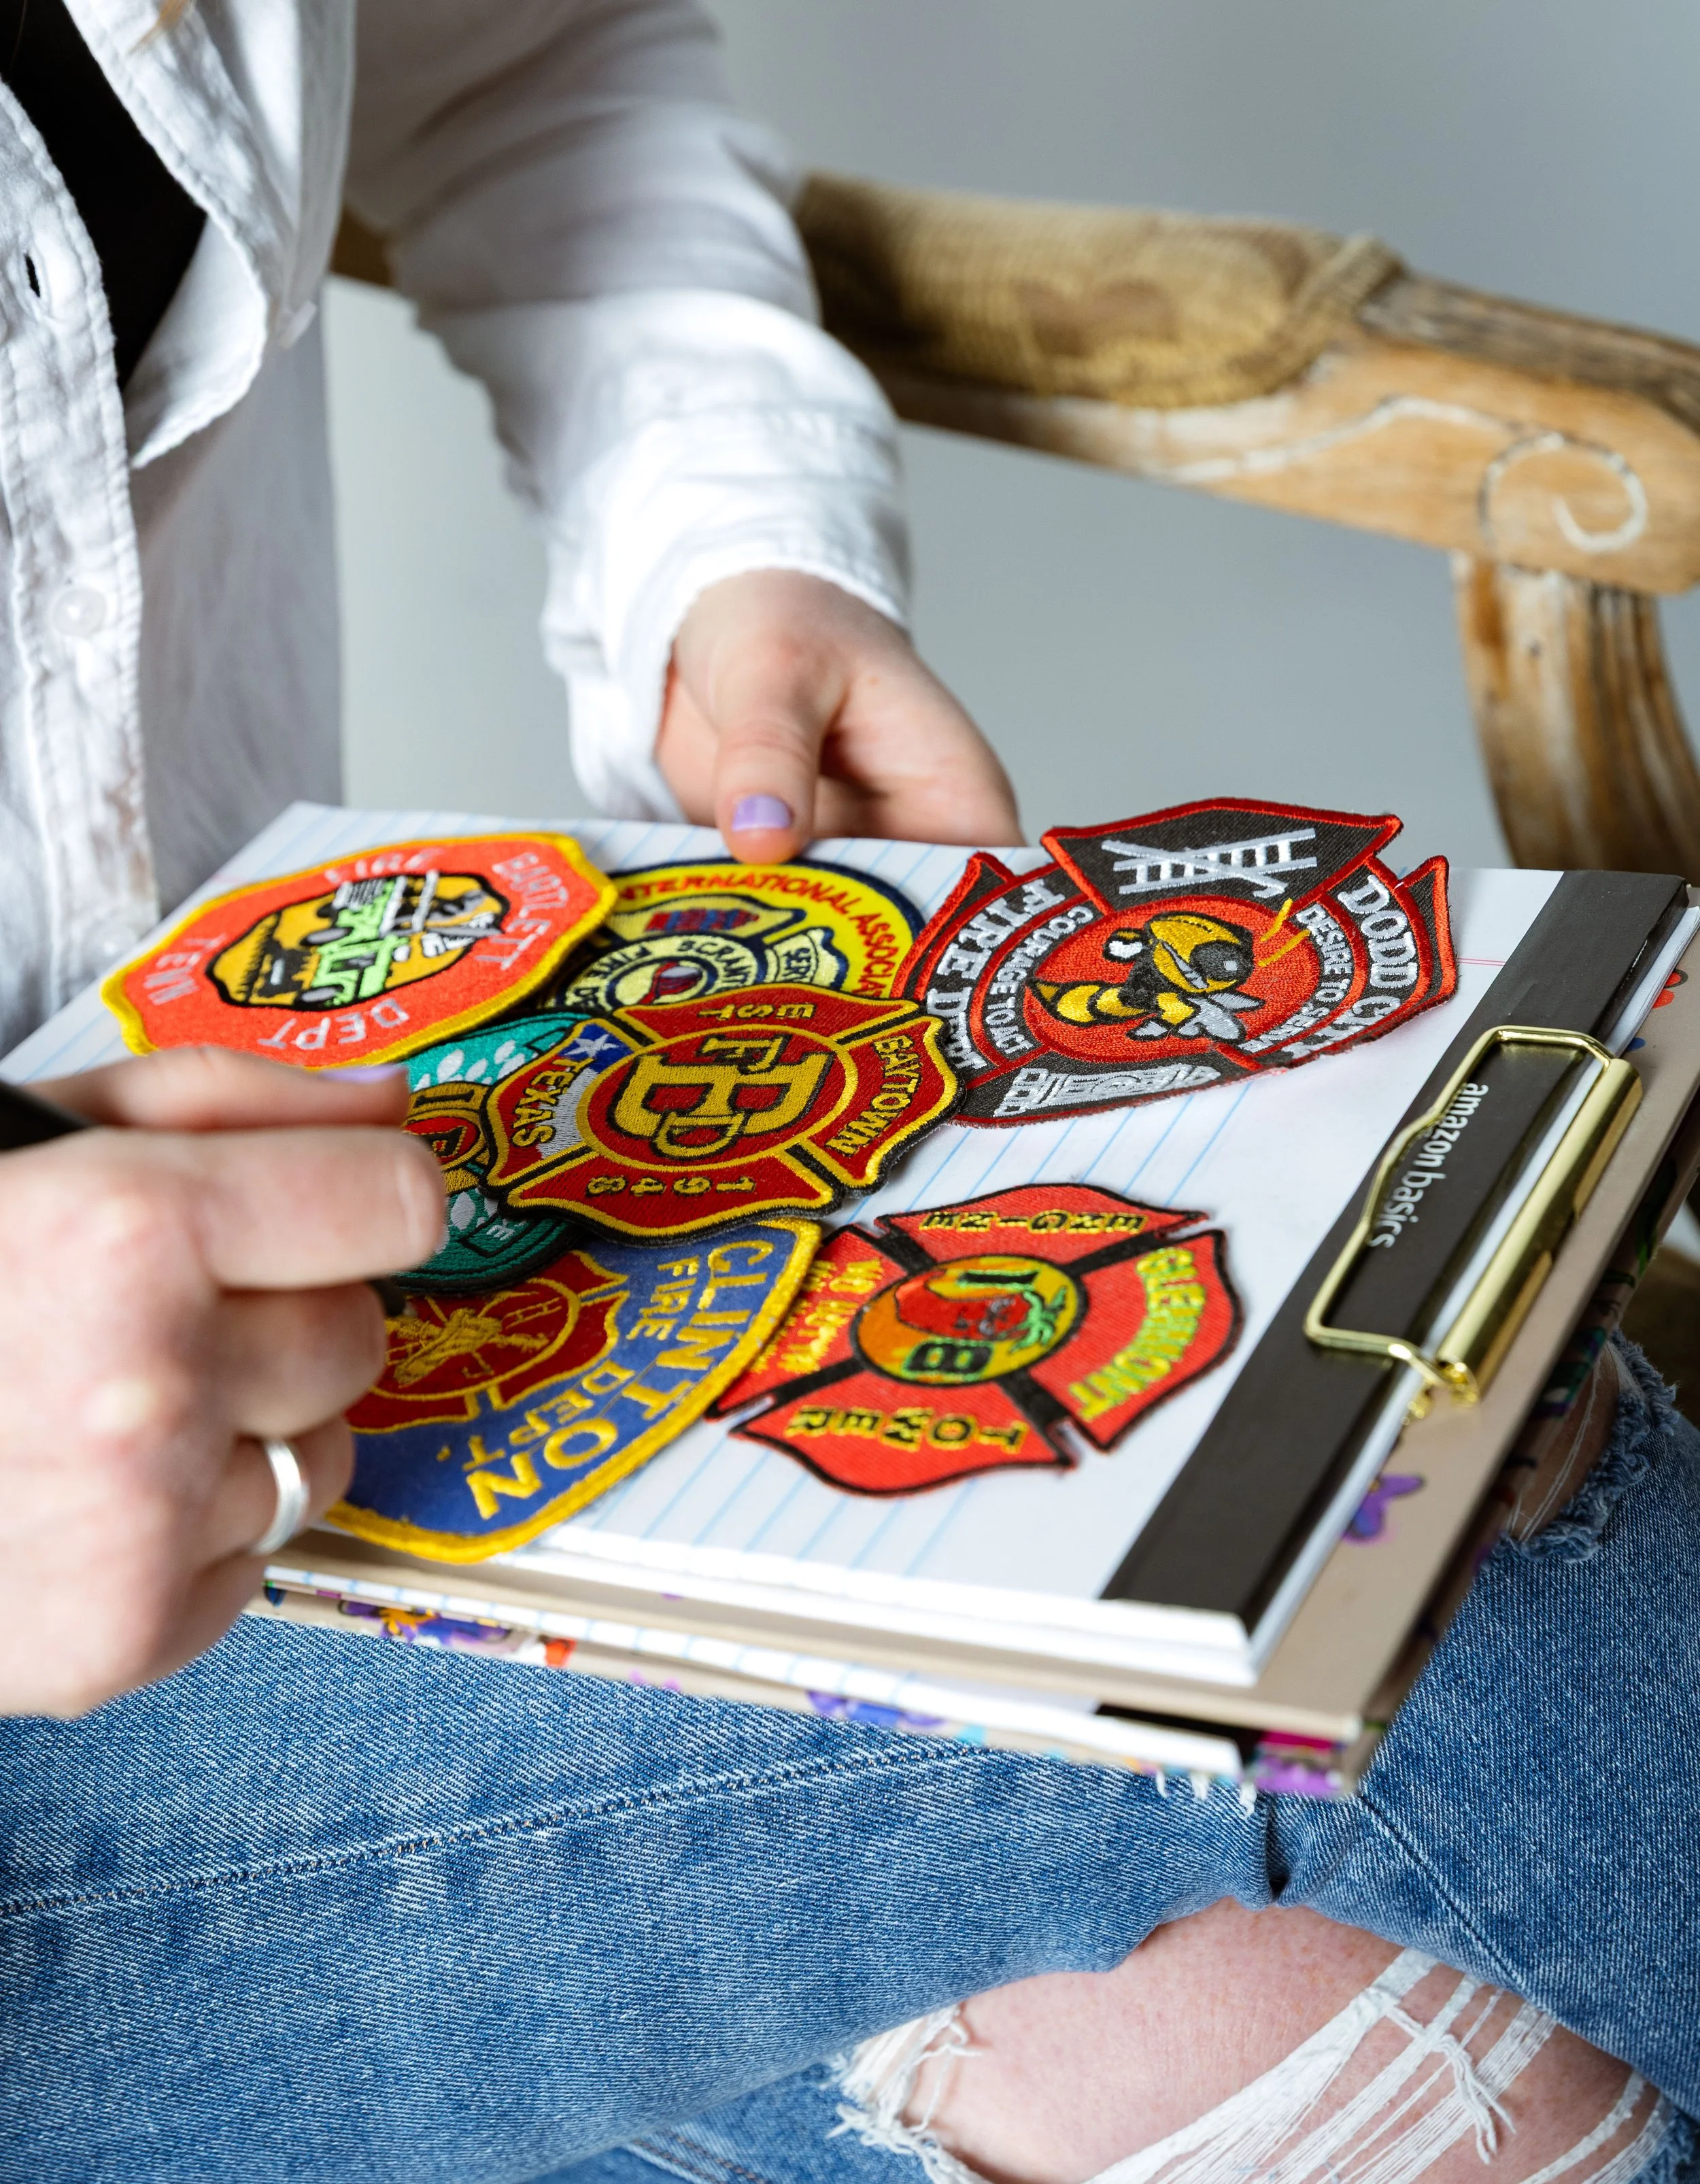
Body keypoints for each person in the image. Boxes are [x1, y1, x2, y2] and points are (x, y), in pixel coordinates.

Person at [0, 2, 1695, 2177]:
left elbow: (522, 58)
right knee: (1420, 1544)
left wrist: (725, 534)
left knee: (1344, 1966)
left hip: (316, 1294)